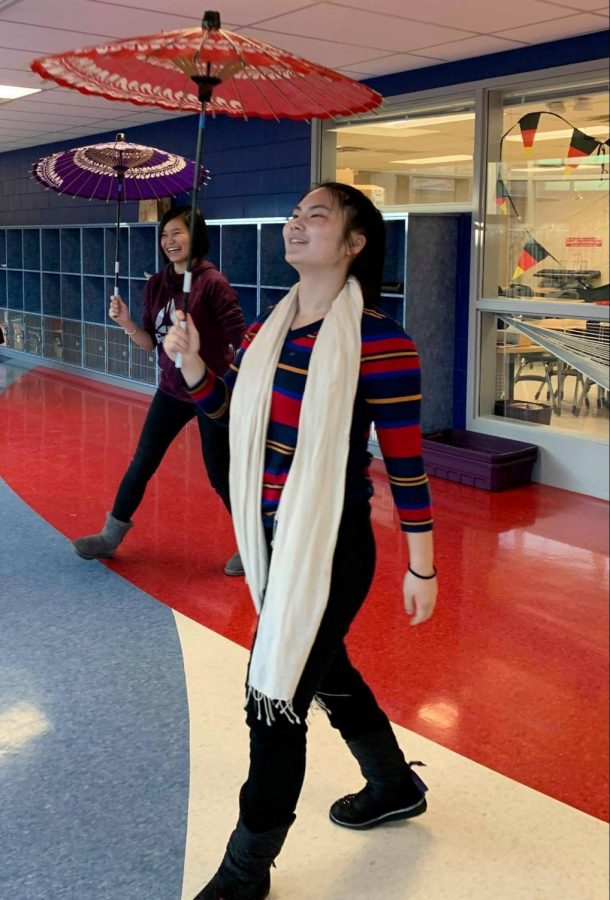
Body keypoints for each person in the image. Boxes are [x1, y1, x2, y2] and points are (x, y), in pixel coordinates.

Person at [164, 183, 438, 899]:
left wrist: (423, 565)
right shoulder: (268, 331)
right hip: (274, 542)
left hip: (333, 546)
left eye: (316, 216)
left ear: (354, 244)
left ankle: (245, 870)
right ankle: (392, 784)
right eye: (292, 215)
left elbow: (404, 462)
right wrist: (194, 362)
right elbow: (225, 410)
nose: (296, 224)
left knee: (273, 695)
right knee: (324, 668)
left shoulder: (380, 340)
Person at [72, 205, 246, 576]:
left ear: (195, 235)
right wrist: (127, 323)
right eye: (165, 235)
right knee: (142, 462)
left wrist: (217, 368)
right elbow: (150, 342)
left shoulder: (213, 284)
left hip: (208, 393)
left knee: (220, 473)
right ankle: (109, 536)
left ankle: (256, 544)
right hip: (170, 389)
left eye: (177, 233)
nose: (169, 241)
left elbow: (241, 341)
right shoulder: (157, 284)